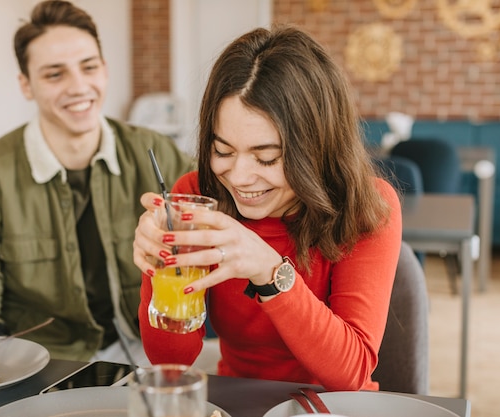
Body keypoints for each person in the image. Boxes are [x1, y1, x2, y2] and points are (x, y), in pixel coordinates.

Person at [132, 25, 402, 391]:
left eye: (267, 158)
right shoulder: (197, 197)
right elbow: (170, 360)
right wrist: (161, 263)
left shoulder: (366, 208)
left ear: (316, 147)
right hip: (238, 402)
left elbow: (350, 374)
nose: (240, 177)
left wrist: (270, 271)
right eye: (223, 151)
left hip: (333, 408)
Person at [0, 0, 194, 362]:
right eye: (55, 74)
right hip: (39, 359)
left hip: (146, 345)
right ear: (26, 85)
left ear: (104, 70)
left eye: (89, 67)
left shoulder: (156, 153)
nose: (78, 86)